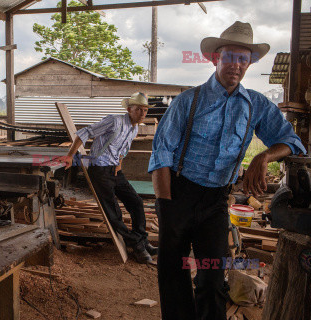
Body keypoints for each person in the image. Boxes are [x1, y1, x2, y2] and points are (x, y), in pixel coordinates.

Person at [148, 21, 307, 320]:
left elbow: (293, 142)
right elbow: (161, 154)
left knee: (211, 276)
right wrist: (165, 205)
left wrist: (264, 156)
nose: (236, 65)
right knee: (173, 271)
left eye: (243, 59)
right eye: (230, 57)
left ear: (249, 64)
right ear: (215, 58)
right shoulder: (188, 101)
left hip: (216, 202)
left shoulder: (256, 105)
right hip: (178, 194)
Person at [64, 92, 158, 264]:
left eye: (145, 110)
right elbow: (84, 132)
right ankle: (137, 246)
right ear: (129, 109)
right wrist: (70, 155)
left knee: (136, 202)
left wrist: (118, 166)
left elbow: (122, 150)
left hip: (114, 170)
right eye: (139, 109)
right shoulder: (114, 121)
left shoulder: (134, 127)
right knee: (113, 213)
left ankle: (143, 240)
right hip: (99, 170)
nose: (143, 113)